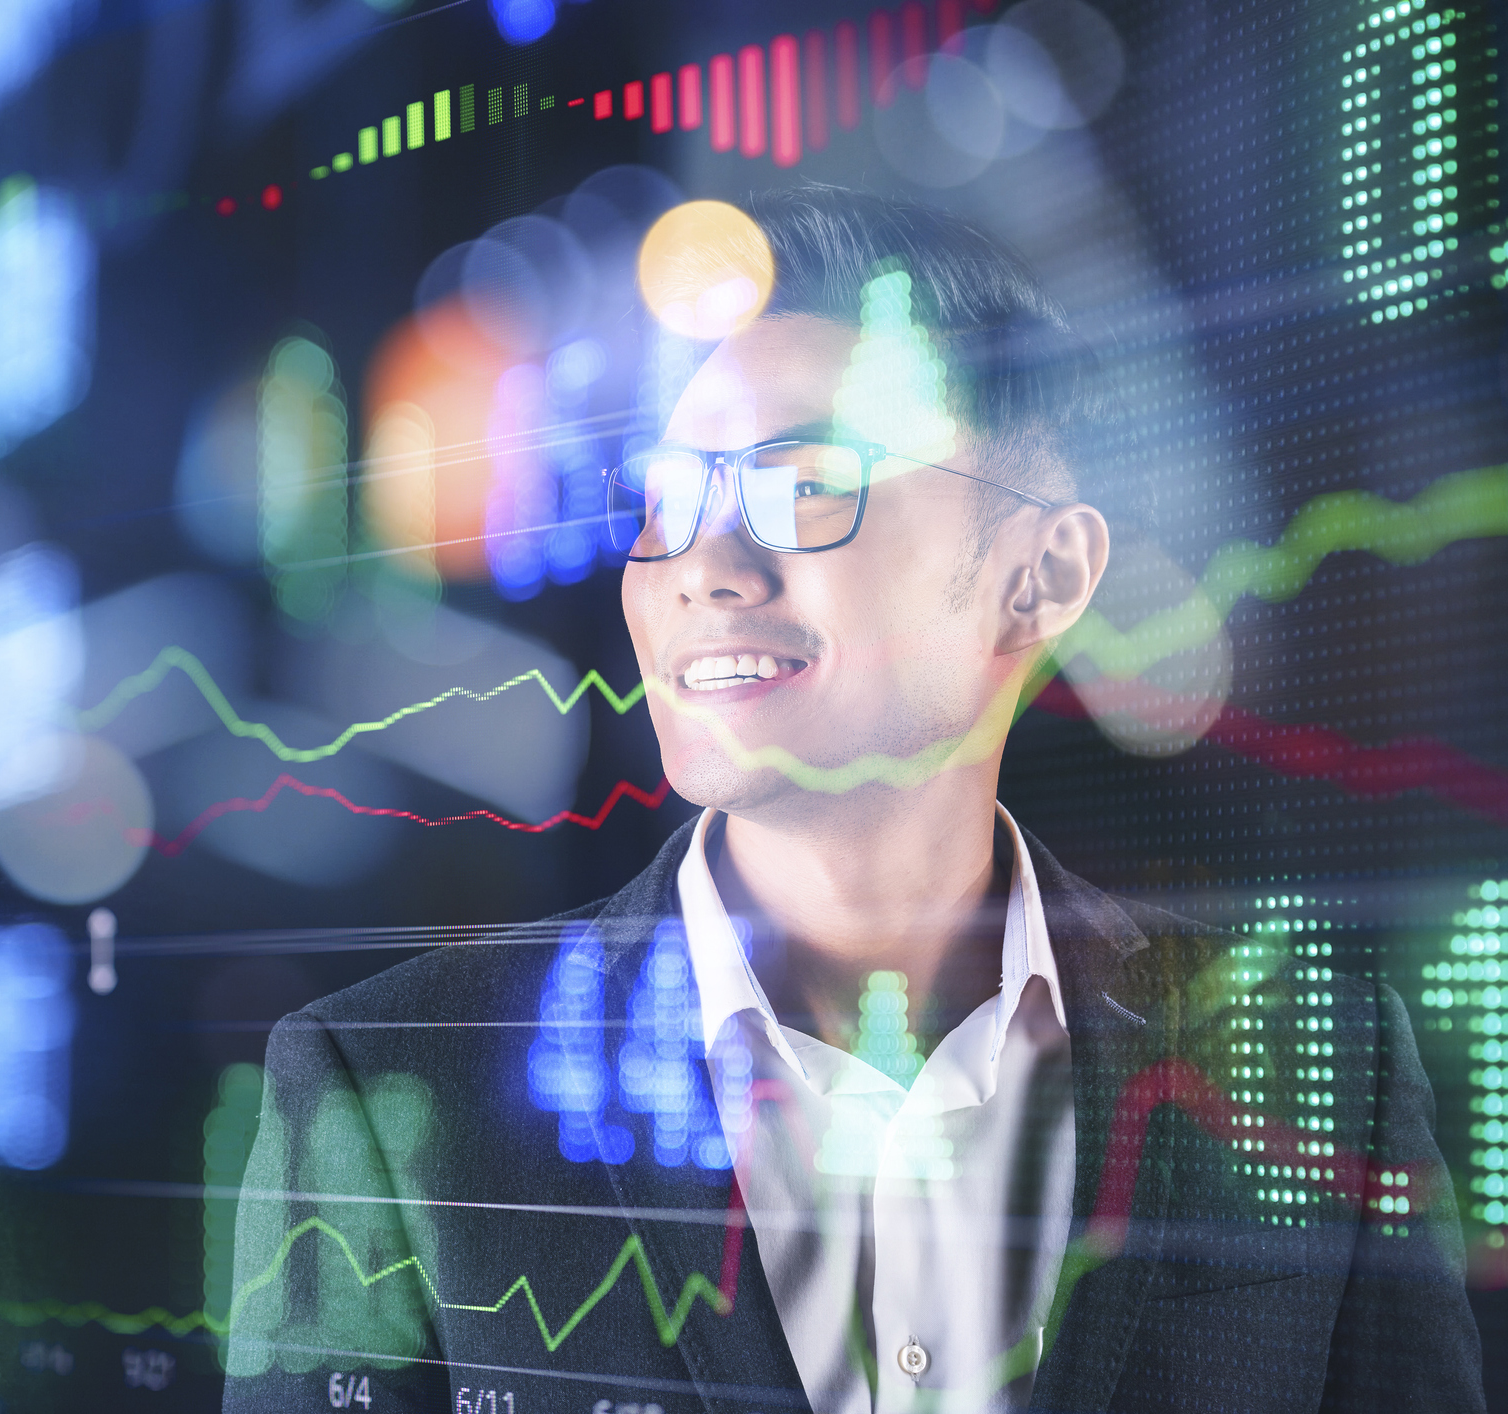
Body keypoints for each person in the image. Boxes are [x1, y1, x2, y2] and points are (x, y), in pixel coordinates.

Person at [218, 183, 1481, 1414]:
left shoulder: (1319, 1076)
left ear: (1039, 575)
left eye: (805, 484)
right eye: (668, 500)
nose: (701, 569)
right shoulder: (387, 1089)